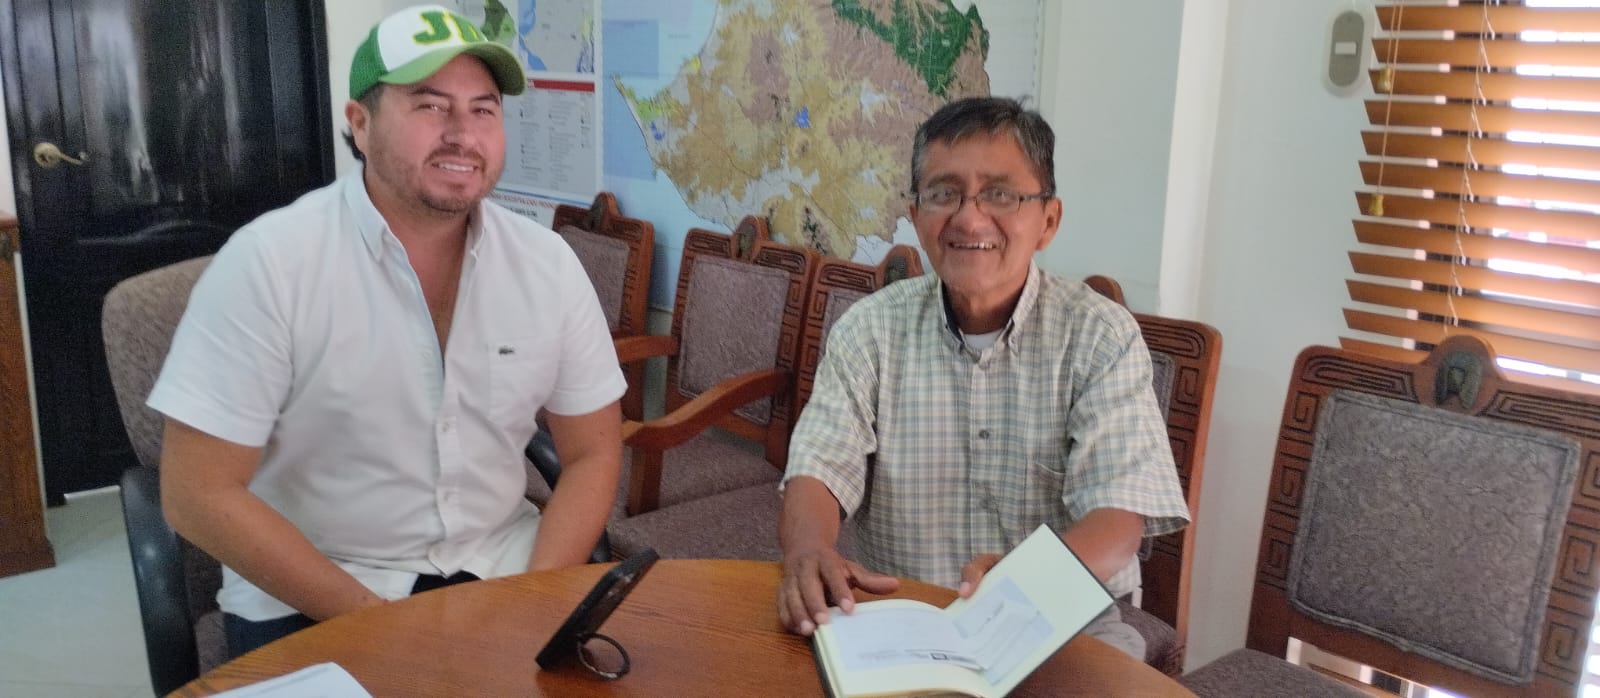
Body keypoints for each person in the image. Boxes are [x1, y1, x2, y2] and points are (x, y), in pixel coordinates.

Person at [150, 5, 625, 658]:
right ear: (360, 124)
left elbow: (594, 452)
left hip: (502, 566)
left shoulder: (547, 264)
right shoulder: (270, 263)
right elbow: (195, 493)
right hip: (320, 586)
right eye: (430, 106)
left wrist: (539, 599)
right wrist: (380, 624)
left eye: (483, 109)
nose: (463, 134)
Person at [776, 96, 1190, 659]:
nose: (970, 219)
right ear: (916, 214)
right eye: (944, 193)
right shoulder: (868, 330)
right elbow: (818, 466)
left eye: (1000, 194)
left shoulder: (1100, 336)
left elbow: (1118, 517)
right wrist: (807, 549)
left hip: (1059, 624)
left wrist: (1026, 580)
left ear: (1048, 221)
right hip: (908, 619)